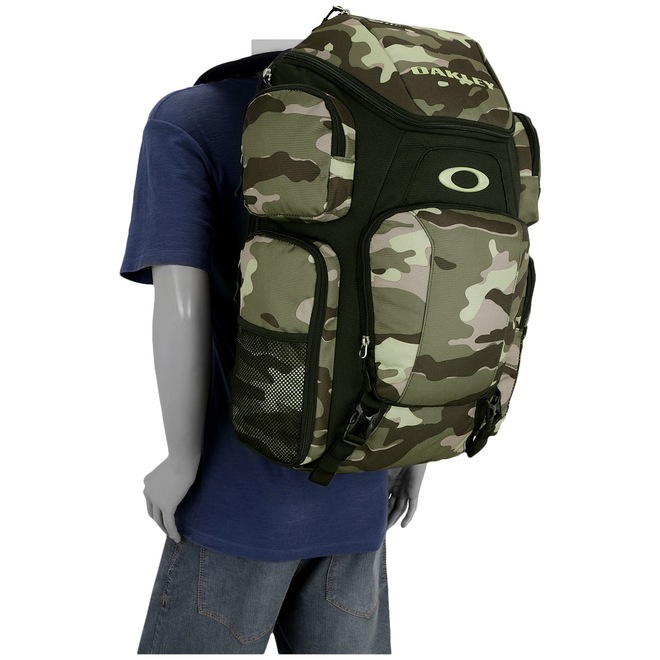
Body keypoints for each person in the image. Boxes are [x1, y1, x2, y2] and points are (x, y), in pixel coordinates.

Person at [120, 40, 427, 654]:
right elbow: (418, 291)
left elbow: (180, 303)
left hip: (235, 502)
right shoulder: (393, 120)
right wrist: (411, 447)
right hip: (364, 483)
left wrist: (181, 459)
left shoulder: (191, 119)